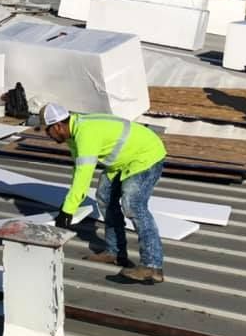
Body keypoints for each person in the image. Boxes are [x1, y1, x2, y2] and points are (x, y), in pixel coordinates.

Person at [41, 102, 167, 284]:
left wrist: (68, 210)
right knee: (104, 196)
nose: (48, 136)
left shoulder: (85, 134)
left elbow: (84, 176)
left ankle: (152, 266)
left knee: (133, 205)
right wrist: (69, 205)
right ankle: (115, 252)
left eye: (48, 131)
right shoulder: (73, 134)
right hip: (123, 159)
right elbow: (79, 170)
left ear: (58, 126)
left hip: (145, 156)